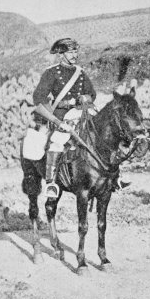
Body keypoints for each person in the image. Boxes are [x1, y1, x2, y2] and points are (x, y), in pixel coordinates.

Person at [33, 38, 96, 198]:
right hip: (61, 115)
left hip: (81, 113)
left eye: (76, 51)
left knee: (102, 132)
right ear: (61, 54)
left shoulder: (80, 72)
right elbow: (39, 97)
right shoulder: (52, 72)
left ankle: (112, 177)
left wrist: (85, 98)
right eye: (71, 52)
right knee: (57, 143)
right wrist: (55, 119)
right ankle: (51, 184)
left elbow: (92, 93)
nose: (75, 55)